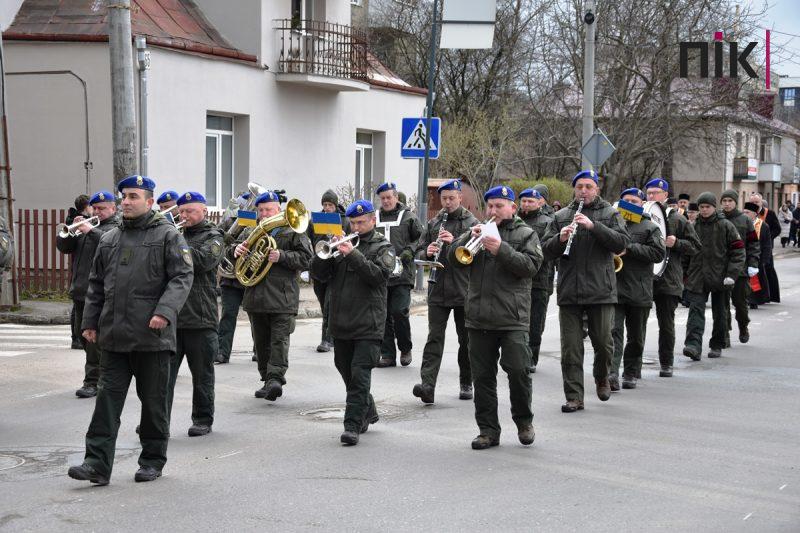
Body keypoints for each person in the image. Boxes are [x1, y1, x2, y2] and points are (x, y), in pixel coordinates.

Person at [68, 175, 193, 486]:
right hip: (114, 337)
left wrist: (164, 312)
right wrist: (90, 322)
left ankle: (152, 460)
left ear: (149, 202)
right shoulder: (109, 238)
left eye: (133, 196)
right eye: (124, 196)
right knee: (106, 403)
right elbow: (95, 285)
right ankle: (96, 464)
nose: (126, 201)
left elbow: (182, 277)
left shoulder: (167, 236)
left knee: (153, 403)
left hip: (152, 339)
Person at [450, 185, 542, 449]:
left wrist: (501, 249)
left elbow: (531, 267)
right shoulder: (477, 230)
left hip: (512, 318)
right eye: (489, 206)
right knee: (482, 378)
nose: (493, 210)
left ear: (512, 207)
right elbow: (454, 259)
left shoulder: (526, 234)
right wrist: (467, 238)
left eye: (499, 205)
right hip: (478, 317)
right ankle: (488, 430)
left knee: (518, 371)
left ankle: (524, 422)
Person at [542, 170, 630, 413]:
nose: (583, 191)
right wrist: (560, 239)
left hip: (601, 290)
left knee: (603, 343)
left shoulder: (610, 214)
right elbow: (544, 252)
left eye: (588, 186)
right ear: (574, 188)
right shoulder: (561, 216)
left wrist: (594, 227)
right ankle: (574, 396)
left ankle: (602, 377)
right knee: (571, 348)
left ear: (597, 189)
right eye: (579, 186)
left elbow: (622, 243)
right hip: (570, 290)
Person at [310, 199, 395, 445]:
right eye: (353, 223)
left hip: (369, 323)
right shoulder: (341, 243)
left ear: (373, 220)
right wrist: (323, 253)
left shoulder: (384, 247)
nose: (356, 227)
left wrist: (353, 253)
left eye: (361, 222)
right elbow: (319, 275)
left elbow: (377, 277)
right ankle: (368, 409)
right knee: (345, 370)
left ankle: (352, 426)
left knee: (359, 376)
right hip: (340, 320)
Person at [234, 191, 313, 401]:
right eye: (260, 210)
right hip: (255, 297)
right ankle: (266, 379)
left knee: (279, 341)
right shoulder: (251, 231)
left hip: (282, 297)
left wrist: (282, 256)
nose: (264, 214)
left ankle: (275, 379)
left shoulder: (293, 230)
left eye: (268, 209)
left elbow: (307, 258)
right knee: (260, 343)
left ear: (279, 210)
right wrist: (237, 250)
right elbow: (231, 254)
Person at [412, 179, 478, 404]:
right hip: (437, 288)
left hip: (463, 289)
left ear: (460, 197)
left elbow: (475, 256)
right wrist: (427, 253)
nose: (448, 203)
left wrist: (455, 243)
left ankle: (466, 381)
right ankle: (428, 385)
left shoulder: (471, 223)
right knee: (434, 339)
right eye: (444, 199)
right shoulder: (434, 222)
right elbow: (419, 251)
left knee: (466, 340)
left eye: (451, 198)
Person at [166, 192, 224, 437]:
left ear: (203, 211)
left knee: (202, 375)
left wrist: (174, 241)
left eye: (190, 211)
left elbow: (200, 261)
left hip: (201, 317)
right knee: (163, 377)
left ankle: (202, 418)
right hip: (172, 316)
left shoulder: (214, 236)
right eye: (182, 212)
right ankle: (157, 420)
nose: (184, 216)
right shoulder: (174, 235)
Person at [56, 190, 120, 398]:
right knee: (82, 337)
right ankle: (106, 373)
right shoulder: (89, 227)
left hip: (100, 294)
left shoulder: (117, 228)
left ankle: (93, 382)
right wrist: (70, 228)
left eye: (103, 208)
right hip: (81, 290)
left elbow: (112, 246)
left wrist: (89, 230)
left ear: (113, 208)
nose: (99, 212)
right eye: (96, 208)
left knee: (93, 341)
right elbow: (65, 247)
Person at [609, 188, 665, 390]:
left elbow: (658, 253)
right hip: (614, 288)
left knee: (636, 337)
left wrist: (630, 248)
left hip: (639, 289)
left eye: (634, 201)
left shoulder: (650, 227)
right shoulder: (614, 223)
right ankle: (612, 373)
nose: (630, 203)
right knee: (612, 333)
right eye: (626, 200)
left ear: (641, 204)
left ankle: (631, 372)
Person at [645, 179, 701, 377]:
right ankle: (632, 368)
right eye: (649, 192)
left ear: (665, 195)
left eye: (656, 192)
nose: (651, 196)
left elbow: (695, 246)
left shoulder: (677, 219)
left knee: (666, 324)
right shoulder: (641, 216)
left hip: (668, 279)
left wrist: (677, 243)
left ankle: (666, 362)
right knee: (636, 324)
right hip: (643, 278)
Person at [682, 192, 745, 360]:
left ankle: (717, 344)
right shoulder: (693, 226)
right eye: (701, 207)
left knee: (720, 314)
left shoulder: (726, 226)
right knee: (695, 312)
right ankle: (693, 345)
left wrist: (732, 274)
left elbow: (738, 251)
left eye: (707, 207)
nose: (704, 210)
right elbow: (686, 253)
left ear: (714, 207)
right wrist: (684, 275)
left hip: (720, 277)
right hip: (697, 277)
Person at [374, 182, 423, 368]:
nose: (386, 201)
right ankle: (387, 354)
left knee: (399, 311)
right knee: (383, 315)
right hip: (380, 273)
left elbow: (421, 237)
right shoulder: (374, 217)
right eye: (383, 198)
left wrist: (410, 250)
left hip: (402, 274)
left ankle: (405, 347)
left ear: (396, 197)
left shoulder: (408, 217)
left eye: (389, 197)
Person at [215, 191, 255, 365]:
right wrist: (232, 244)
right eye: (244, 204)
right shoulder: (229, 220)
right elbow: (217, 240)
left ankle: (259, 351)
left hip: (251, 276)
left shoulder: (259, 222)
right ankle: (222, 352)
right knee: (228, 315)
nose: (246, 207)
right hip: (230, 278)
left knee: (256, 316)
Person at [307, 189, 348, 353]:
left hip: (336, 267)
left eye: (330, 204)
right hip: (320, 267)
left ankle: (326, 339)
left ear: (335, 205)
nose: (327, 207)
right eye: (324, 204)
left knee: (330, 304)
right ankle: (335, 332)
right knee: (325, 304)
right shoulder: (315, 221)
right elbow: (310, 239)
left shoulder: (344, 220)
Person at [518, 188, 554, 373]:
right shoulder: (514, 221)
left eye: (530, 201)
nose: (526, 204)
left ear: (539, 202)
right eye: (523, 201)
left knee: (535, 320)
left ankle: (531, 356)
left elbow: (548, 251)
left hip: (539, 280)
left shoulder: (548, 222)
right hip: (516, 278)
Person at [719, 189, 760, 345]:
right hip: (721, 269)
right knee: (722, 305)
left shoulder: (745, 220)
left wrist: (753, 263)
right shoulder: (718, 218)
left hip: (740, 270)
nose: (727, 204)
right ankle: (725, 333)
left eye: (730, 201)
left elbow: (754, 244)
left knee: (740, 303)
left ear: (736, 202)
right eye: (724, 201)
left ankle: (743, 326)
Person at [67, 194, 92, 349]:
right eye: (92, 206)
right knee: (77, 306)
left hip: (80, 265)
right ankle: (75, 337)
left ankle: (77, 337)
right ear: (86, 207)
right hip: (79, 266)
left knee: (79, 305)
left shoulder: (85, 220)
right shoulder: (78, 220)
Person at [750, 193, 780, 303]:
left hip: (765, 247)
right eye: (752, 202)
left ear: (761, 202)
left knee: (768, 270)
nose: (754, 204)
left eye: (756, 202)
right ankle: (755, 297)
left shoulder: (769, 213)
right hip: (752, 249)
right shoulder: (747, 214)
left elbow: (777, 229)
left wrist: (767, 237)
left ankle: (770, 295)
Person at [744, 201, 772, 307]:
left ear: (755, 213)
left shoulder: (763, 226)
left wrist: (765, 260)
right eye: (744, 212)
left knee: (756, 280)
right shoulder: (742, 223)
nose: (745, 214)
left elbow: (767, 245)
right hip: (743, 256)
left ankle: (754, 301)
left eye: (748, 212)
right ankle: (745, 298)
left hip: (758, 258)